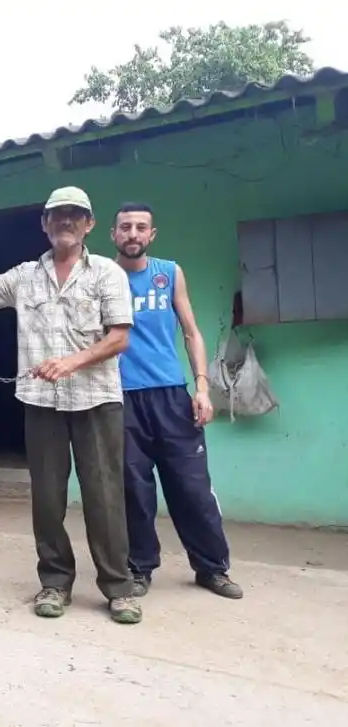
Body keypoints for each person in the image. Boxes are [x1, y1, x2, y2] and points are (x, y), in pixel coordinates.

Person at [0, 186, 143, 625]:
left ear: (89, 224)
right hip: (41, 403)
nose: (66, 222)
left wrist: (71, 362)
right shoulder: (25, 276)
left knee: (105, 496)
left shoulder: (106, 273)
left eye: (75, 215)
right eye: (57, 215)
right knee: (47, 498)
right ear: (45, 224)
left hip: (96, 401)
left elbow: (119, 337)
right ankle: (54, 582)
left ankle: (118, 587)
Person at [112, 202, 243, 599]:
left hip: (171, 396)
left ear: (152, 235)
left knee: (191, 487)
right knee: (133, 490)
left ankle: (212, 568)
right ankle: (139, 568)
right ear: (113, 235)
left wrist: (201, 387)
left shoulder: (168, 273)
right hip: (120, 399)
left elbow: (191, 332)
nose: (132, 234)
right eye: (125, 228)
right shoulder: (102, 277)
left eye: (140, 228)